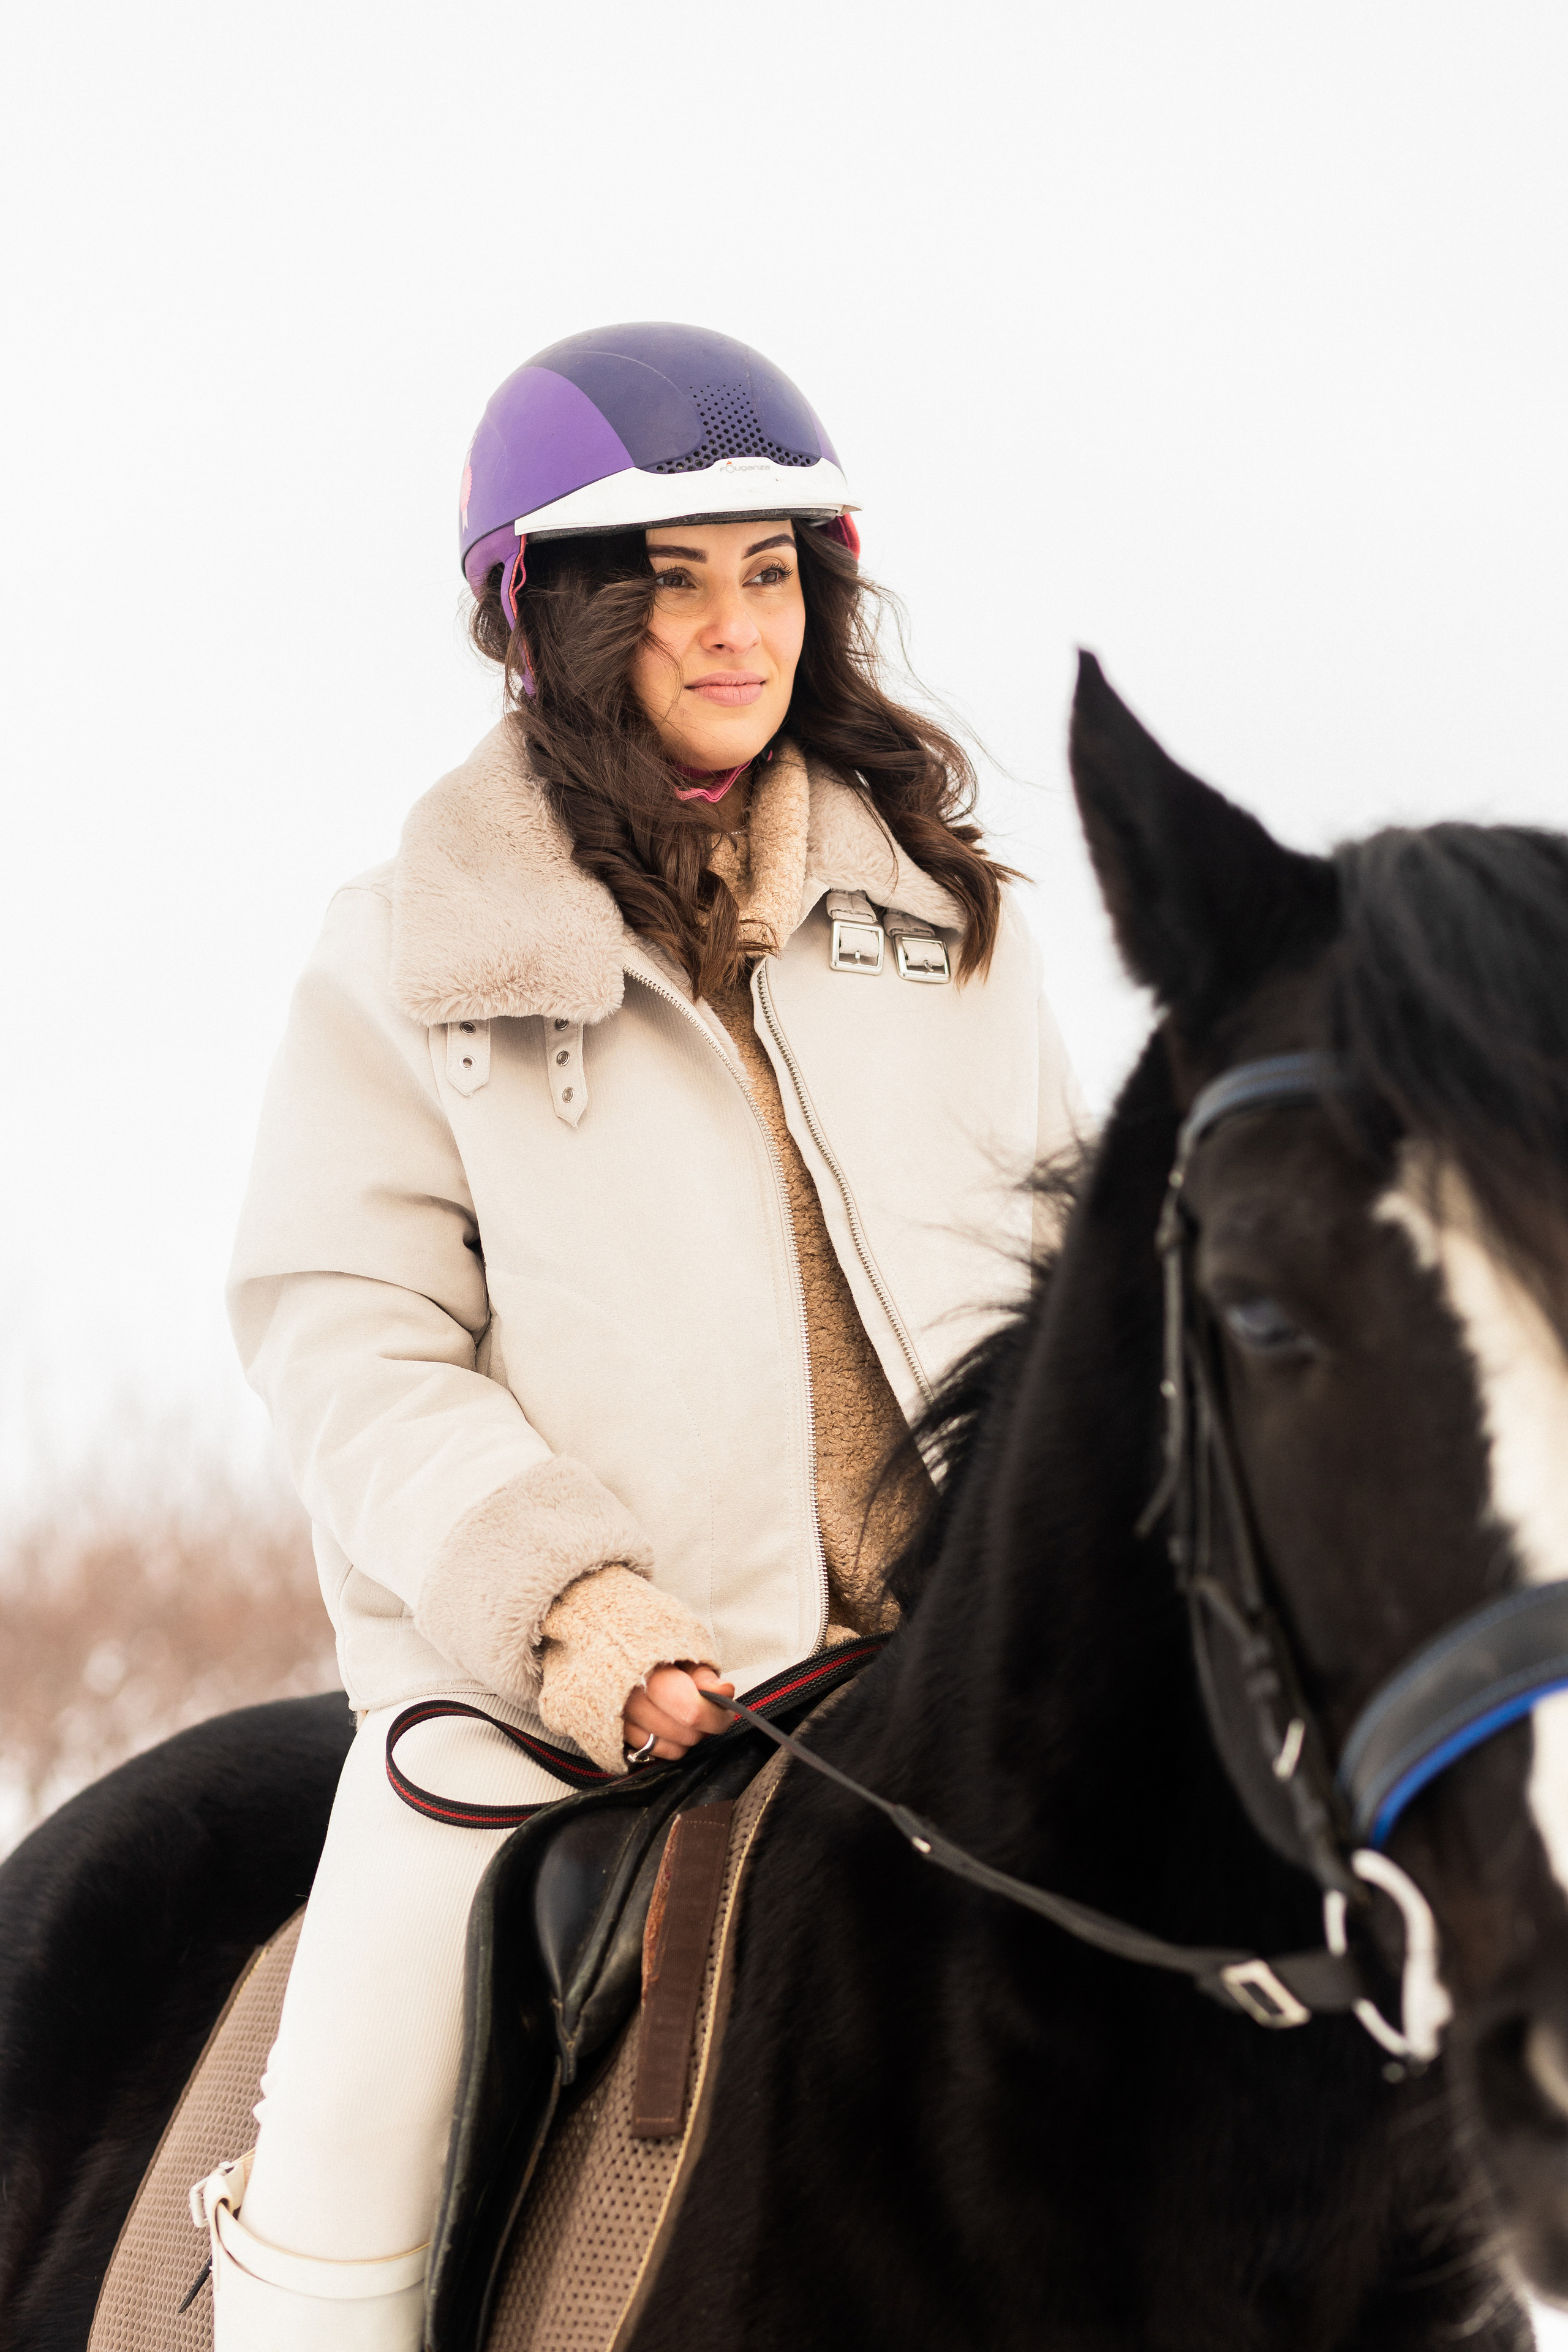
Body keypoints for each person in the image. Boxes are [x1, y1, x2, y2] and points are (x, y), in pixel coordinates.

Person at [204, 321, 1081, 2346]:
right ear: (546, 617)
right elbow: (345, 1328)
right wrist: (574, 1608)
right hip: (565, 1696)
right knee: (391, 1978)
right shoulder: (404, 960)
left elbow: (1072, 1288)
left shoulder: (962, 925)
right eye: (670, 577)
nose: (734, 625)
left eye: (771, 570)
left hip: (943, 1664)